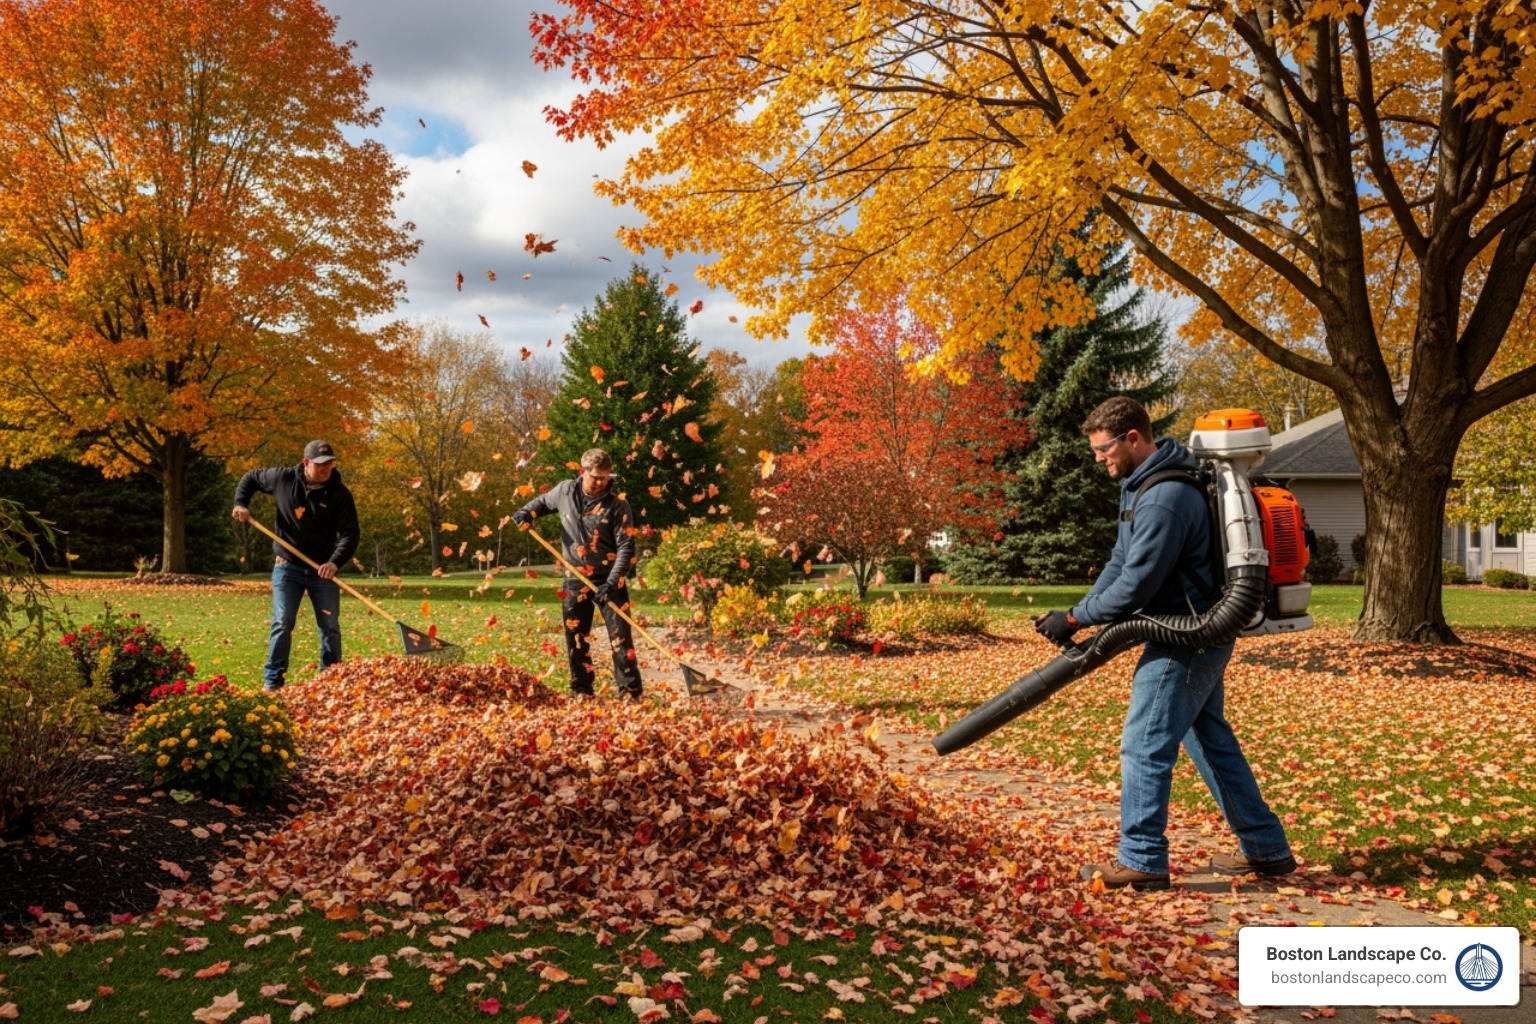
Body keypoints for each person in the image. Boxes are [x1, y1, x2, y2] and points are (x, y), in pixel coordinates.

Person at [1034, 396, 1294, 891]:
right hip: (1190, 630)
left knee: (1144, 744)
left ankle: (1142, 859)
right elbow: (1120, 562)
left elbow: (1137, 586)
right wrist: (1077, 614)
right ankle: (1267, 849)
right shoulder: (1141, 487)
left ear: (1133, 438)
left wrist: (1074, 617)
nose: (1098, 457)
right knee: (1209, 740)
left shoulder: (1164, 497)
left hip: (1186, 636)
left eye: (1103, 447)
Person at [513, 448, 643, 699]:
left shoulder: (618, 505)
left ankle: (630, 692)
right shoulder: (565, 491)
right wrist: (525, 513)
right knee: (576, 637)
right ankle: (582, 690)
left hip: (610, 578)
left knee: (620, 638)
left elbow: (626, 548)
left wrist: (611, 583)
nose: (601, 482)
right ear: (583, 472)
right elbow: (541, 503)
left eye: (605, 477)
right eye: (595, 477)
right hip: (575, 577)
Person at [233, 440, 360, 693]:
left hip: (322, 570)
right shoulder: (283, 478)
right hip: (287, 567)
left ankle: (330, 681)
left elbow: (350, 534)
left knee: (330, 626)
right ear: (306, 463)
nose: (326, 469)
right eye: (320, 464)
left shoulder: (339, 494)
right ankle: (273, 681)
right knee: (282, 622)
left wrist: (334, 562)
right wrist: (240, 503)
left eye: (330, 464)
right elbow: (250, 478)